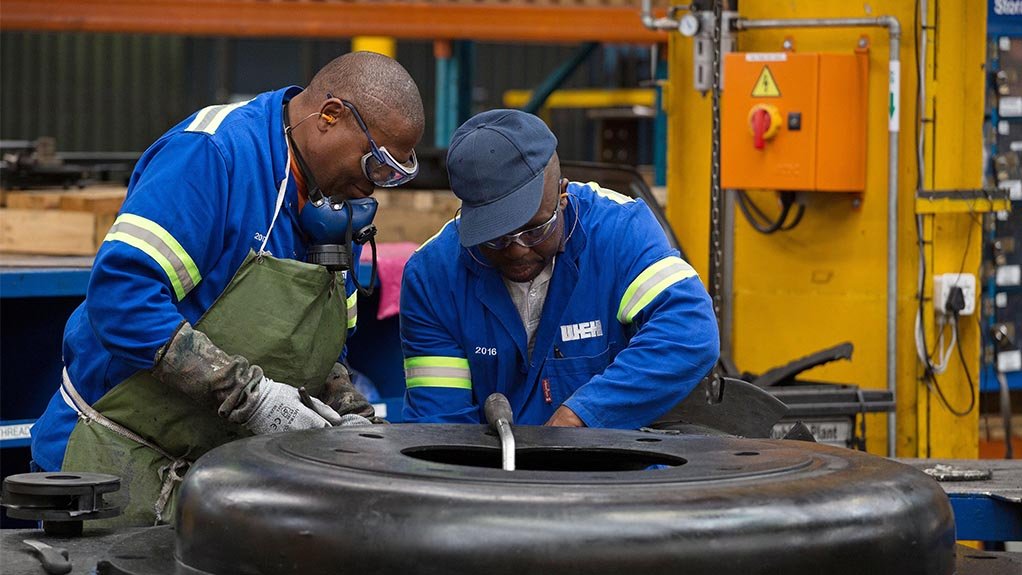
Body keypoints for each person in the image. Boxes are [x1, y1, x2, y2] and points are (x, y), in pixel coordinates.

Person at [29, 52, 425, 526]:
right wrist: (247, 395)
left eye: (395, 175)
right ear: (329, 115)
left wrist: (349, 413)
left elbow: (320, 348)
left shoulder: (334, 209)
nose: (374, 187)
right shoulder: (213, 154)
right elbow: (121, 297)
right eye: (376, 164)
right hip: (109, 469)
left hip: (215, 487)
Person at [400, 110, 718, 428]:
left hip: (620, 470)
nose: (517, 249)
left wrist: (585, 413)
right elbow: (440, 424)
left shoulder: (618, 232)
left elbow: (690, 333)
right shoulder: (433, 276)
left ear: (562, 196)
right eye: (495, 238)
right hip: (492, 472)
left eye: (535, 230)